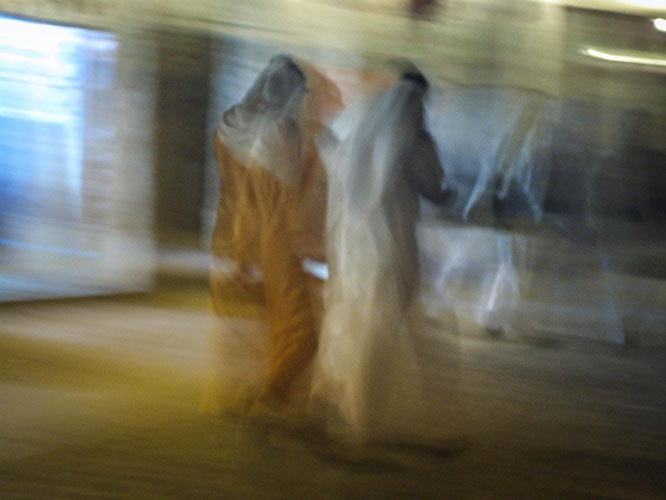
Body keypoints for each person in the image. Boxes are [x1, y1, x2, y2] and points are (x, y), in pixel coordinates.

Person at [310, 70, 456, 443]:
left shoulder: (362, 134)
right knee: (380, 332)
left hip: (353, 248)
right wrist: (448, 195)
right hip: (392, 249)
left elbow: (332, 161)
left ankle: (331, 393)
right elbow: (433, 186)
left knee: (351, 318)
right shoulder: (416, 140)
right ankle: (363, 416)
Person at [202, 55, 340, 418]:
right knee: (301, 335)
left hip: (231, 238)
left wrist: (239, 250)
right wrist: (313, 248)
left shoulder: (230, 125)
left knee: (250, 331)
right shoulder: (281, 132)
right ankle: (266, 400)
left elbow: (240, 196)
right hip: (276, 244)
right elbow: (283, 202)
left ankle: (240, 400)